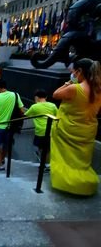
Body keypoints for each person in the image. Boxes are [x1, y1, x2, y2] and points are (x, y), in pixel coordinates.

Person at [51, 58, 101, 196]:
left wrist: (69, 82)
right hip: (88, 129)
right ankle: (85, 184)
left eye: (74, 71)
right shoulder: (98, 90)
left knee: (66, 157)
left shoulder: (75, 88)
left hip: (69, 129)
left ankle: (68, 183)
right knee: (81, 160)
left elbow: (55, 94)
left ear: (79, 72)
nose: (72, 73)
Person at [0, 79, 24, 171]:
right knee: (6, 145)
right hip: (10, 126)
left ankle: (0, 165)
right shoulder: (15, 95)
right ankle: (2, 159)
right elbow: (22, 110)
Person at [24, 89, 57, 170]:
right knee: (47, 149)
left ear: (36, 97)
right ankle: (46, 165)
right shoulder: (53, 105)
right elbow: (58, 116)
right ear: (46, 97)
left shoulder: (34, 107)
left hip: (40, 131)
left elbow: (26, 115)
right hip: (51, 130)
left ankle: (43, 164)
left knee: (39, 148)